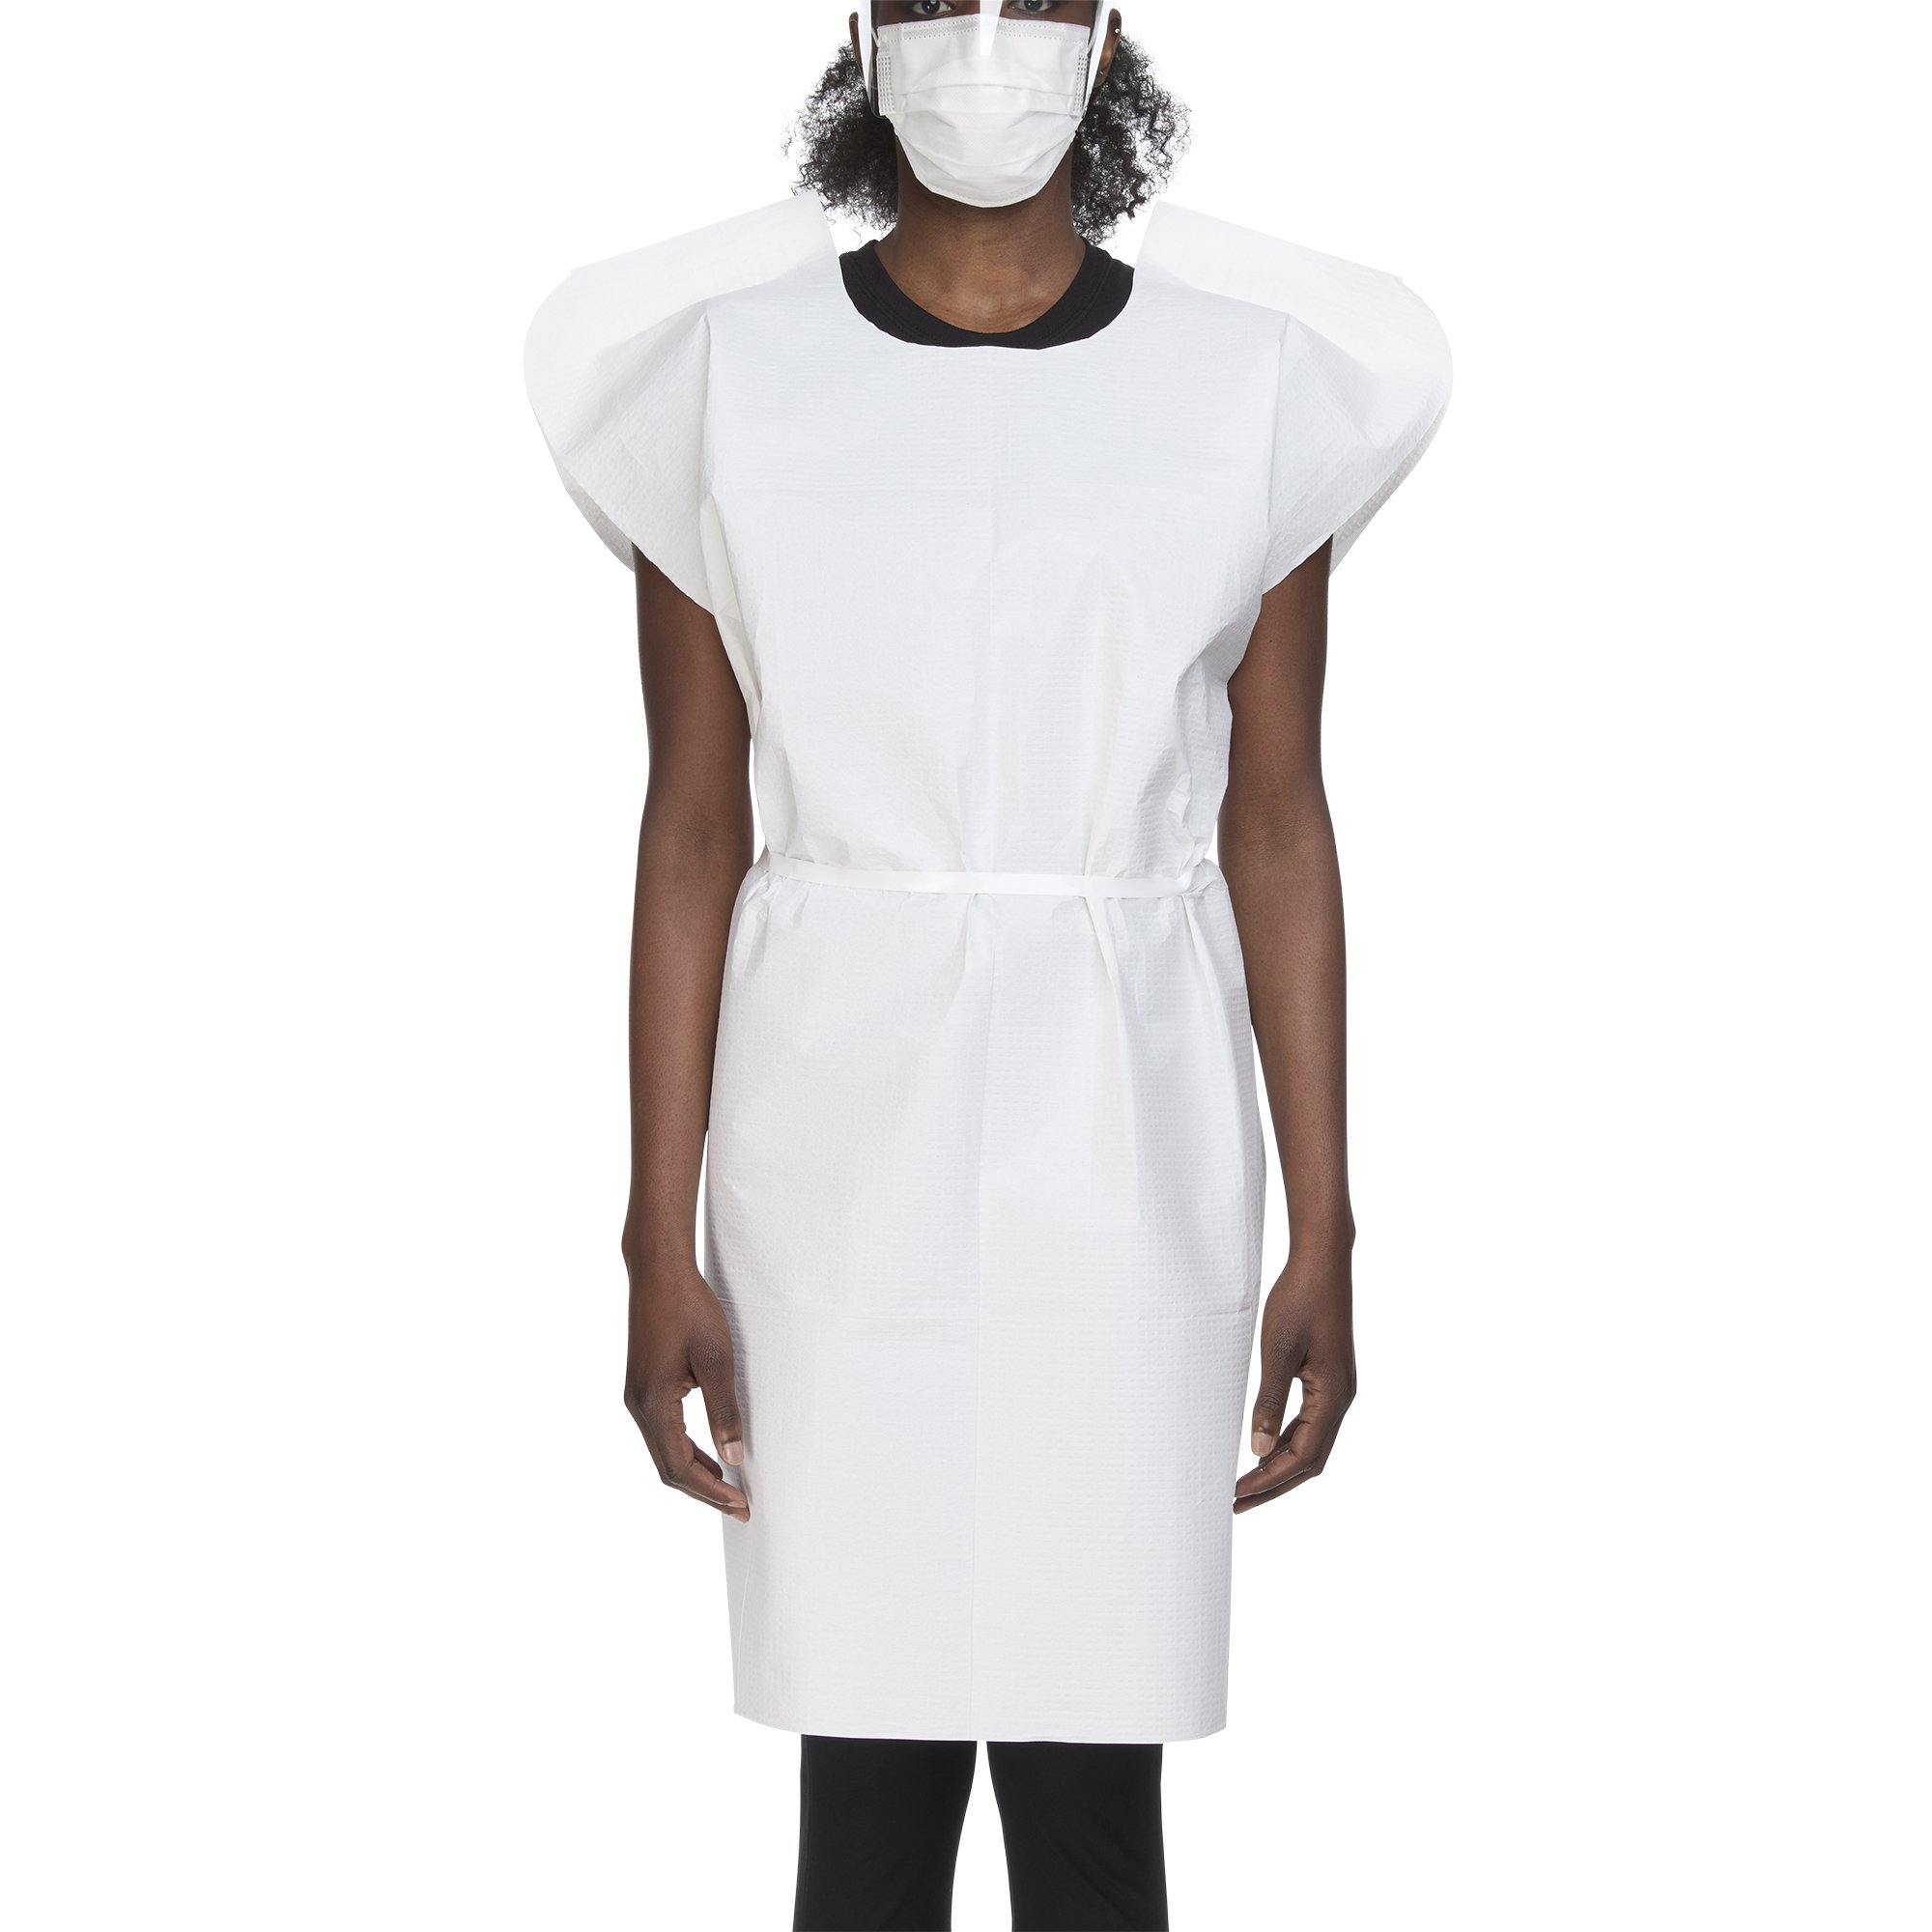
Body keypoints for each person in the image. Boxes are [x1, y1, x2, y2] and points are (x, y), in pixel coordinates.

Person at [524, 5, 1450, 1926]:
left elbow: (1277, 821)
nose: (986, 43)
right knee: (865, 1773)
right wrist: (652, 1237)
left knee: (1092, 1763)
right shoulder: (719, 382)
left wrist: (1329, 1226)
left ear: (1106, 38)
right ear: (862, 35)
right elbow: (692, 828)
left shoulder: (1259, 389)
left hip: (1128, 1125)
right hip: (835, 1134)